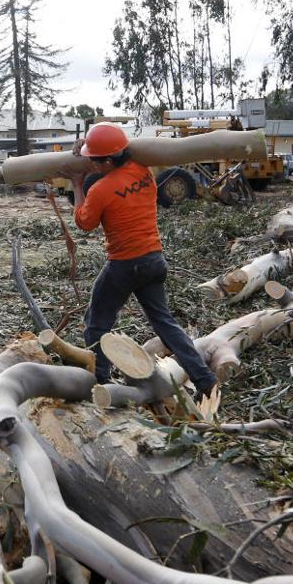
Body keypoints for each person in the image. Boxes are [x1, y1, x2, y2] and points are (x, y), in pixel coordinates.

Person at [67, 122, 218, 397]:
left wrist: (77, 185)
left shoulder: (100, 189)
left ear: (108, 161)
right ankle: (206, 381)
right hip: (153, 260)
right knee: (166, 325)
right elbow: (108, 157)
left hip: (125, 265)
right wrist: (88, 145)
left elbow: (84, 223)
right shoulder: (143, 171)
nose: (92, 163)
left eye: (95, 159)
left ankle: (98, 383)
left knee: (96, 323)